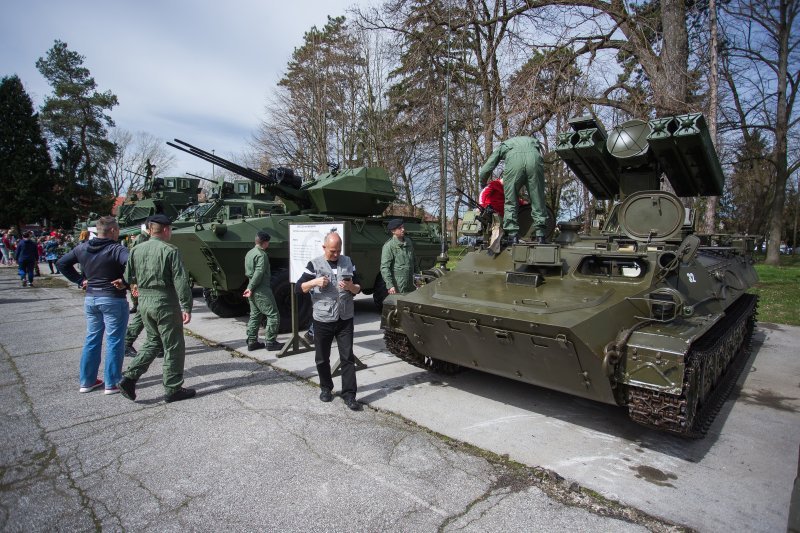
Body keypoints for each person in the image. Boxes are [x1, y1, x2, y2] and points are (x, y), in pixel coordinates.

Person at [117, 214, 195, 403]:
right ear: (167, 230)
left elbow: (128, 277)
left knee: (153, 342)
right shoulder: (170, 250)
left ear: (150, 229)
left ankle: (129, 378)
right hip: (165, 302)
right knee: (173, 345)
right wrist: (186, 305)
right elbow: (181, 281)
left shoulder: (136, 249)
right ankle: (173, 388)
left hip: (144, 302)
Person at [57, 216, 130, 394]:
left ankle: (87, 381)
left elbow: (62, 263)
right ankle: (112, 382)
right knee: (114, 341)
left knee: (92, 339)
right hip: (113, 298)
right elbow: (133, 264)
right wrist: (126, 281)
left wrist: (80, 280)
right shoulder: (116, 249)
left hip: (91, 298)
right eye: (117, 230)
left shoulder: (82, 248)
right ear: (112, 231)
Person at [297, 231, 362, 411]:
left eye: (338, 251)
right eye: (332, 251)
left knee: (347, 357)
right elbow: (299, 288)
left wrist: (350, 286)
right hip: (323, 319)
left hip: (345, 318)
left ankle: (349, 395)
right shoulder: (314, 264)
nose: (336, 254)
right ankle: (326, 388)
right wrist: (315, 282)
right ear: (324, 247)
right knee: (322, 358)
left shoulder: (348, 262)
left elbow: (358, 288)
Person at [478, 135, 547, 244]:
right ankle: (541, 235)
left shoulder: (505, 145)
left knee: (511, 199)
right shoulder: (533, 142)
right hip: (535, 159)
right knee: (537, 199)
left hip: (514, 163)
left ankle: (512, 235)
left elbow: (489, 165)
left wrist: (482, 182)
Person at [243, 231, 283, 351]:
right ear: (265, 243)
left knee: (255, 315)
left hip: (252, 287)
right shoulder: (262, 255)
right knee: (273, 314)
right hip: (261, 288)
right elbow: (259, 272)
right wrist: (251, 287)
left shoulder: (250, 253)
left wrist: (249, 287)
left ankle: (252, 341)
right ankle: (270, 341)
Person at [124, 223, 155, 358]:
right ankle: (127, 342)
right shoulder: (142, 239)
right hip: (146, 283)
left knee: (146, 314)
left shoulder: (149, 239)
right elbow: (136, 262)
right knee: (143, 314)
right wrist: (134, 282)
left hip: (149, 282)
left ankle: (156, 345)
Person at [380, 218, 416, 296]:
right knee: (398, 305)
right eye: (400, 228)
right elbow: (385, 267)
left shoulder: (408, 242)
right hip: (398, 284)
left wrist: (418, 279)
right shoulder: (389, 246)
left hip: (411, 283)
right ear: (393, 231)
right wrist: (390, 285)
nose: (403, 229)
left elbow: (414, 262)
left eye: (403, 227)